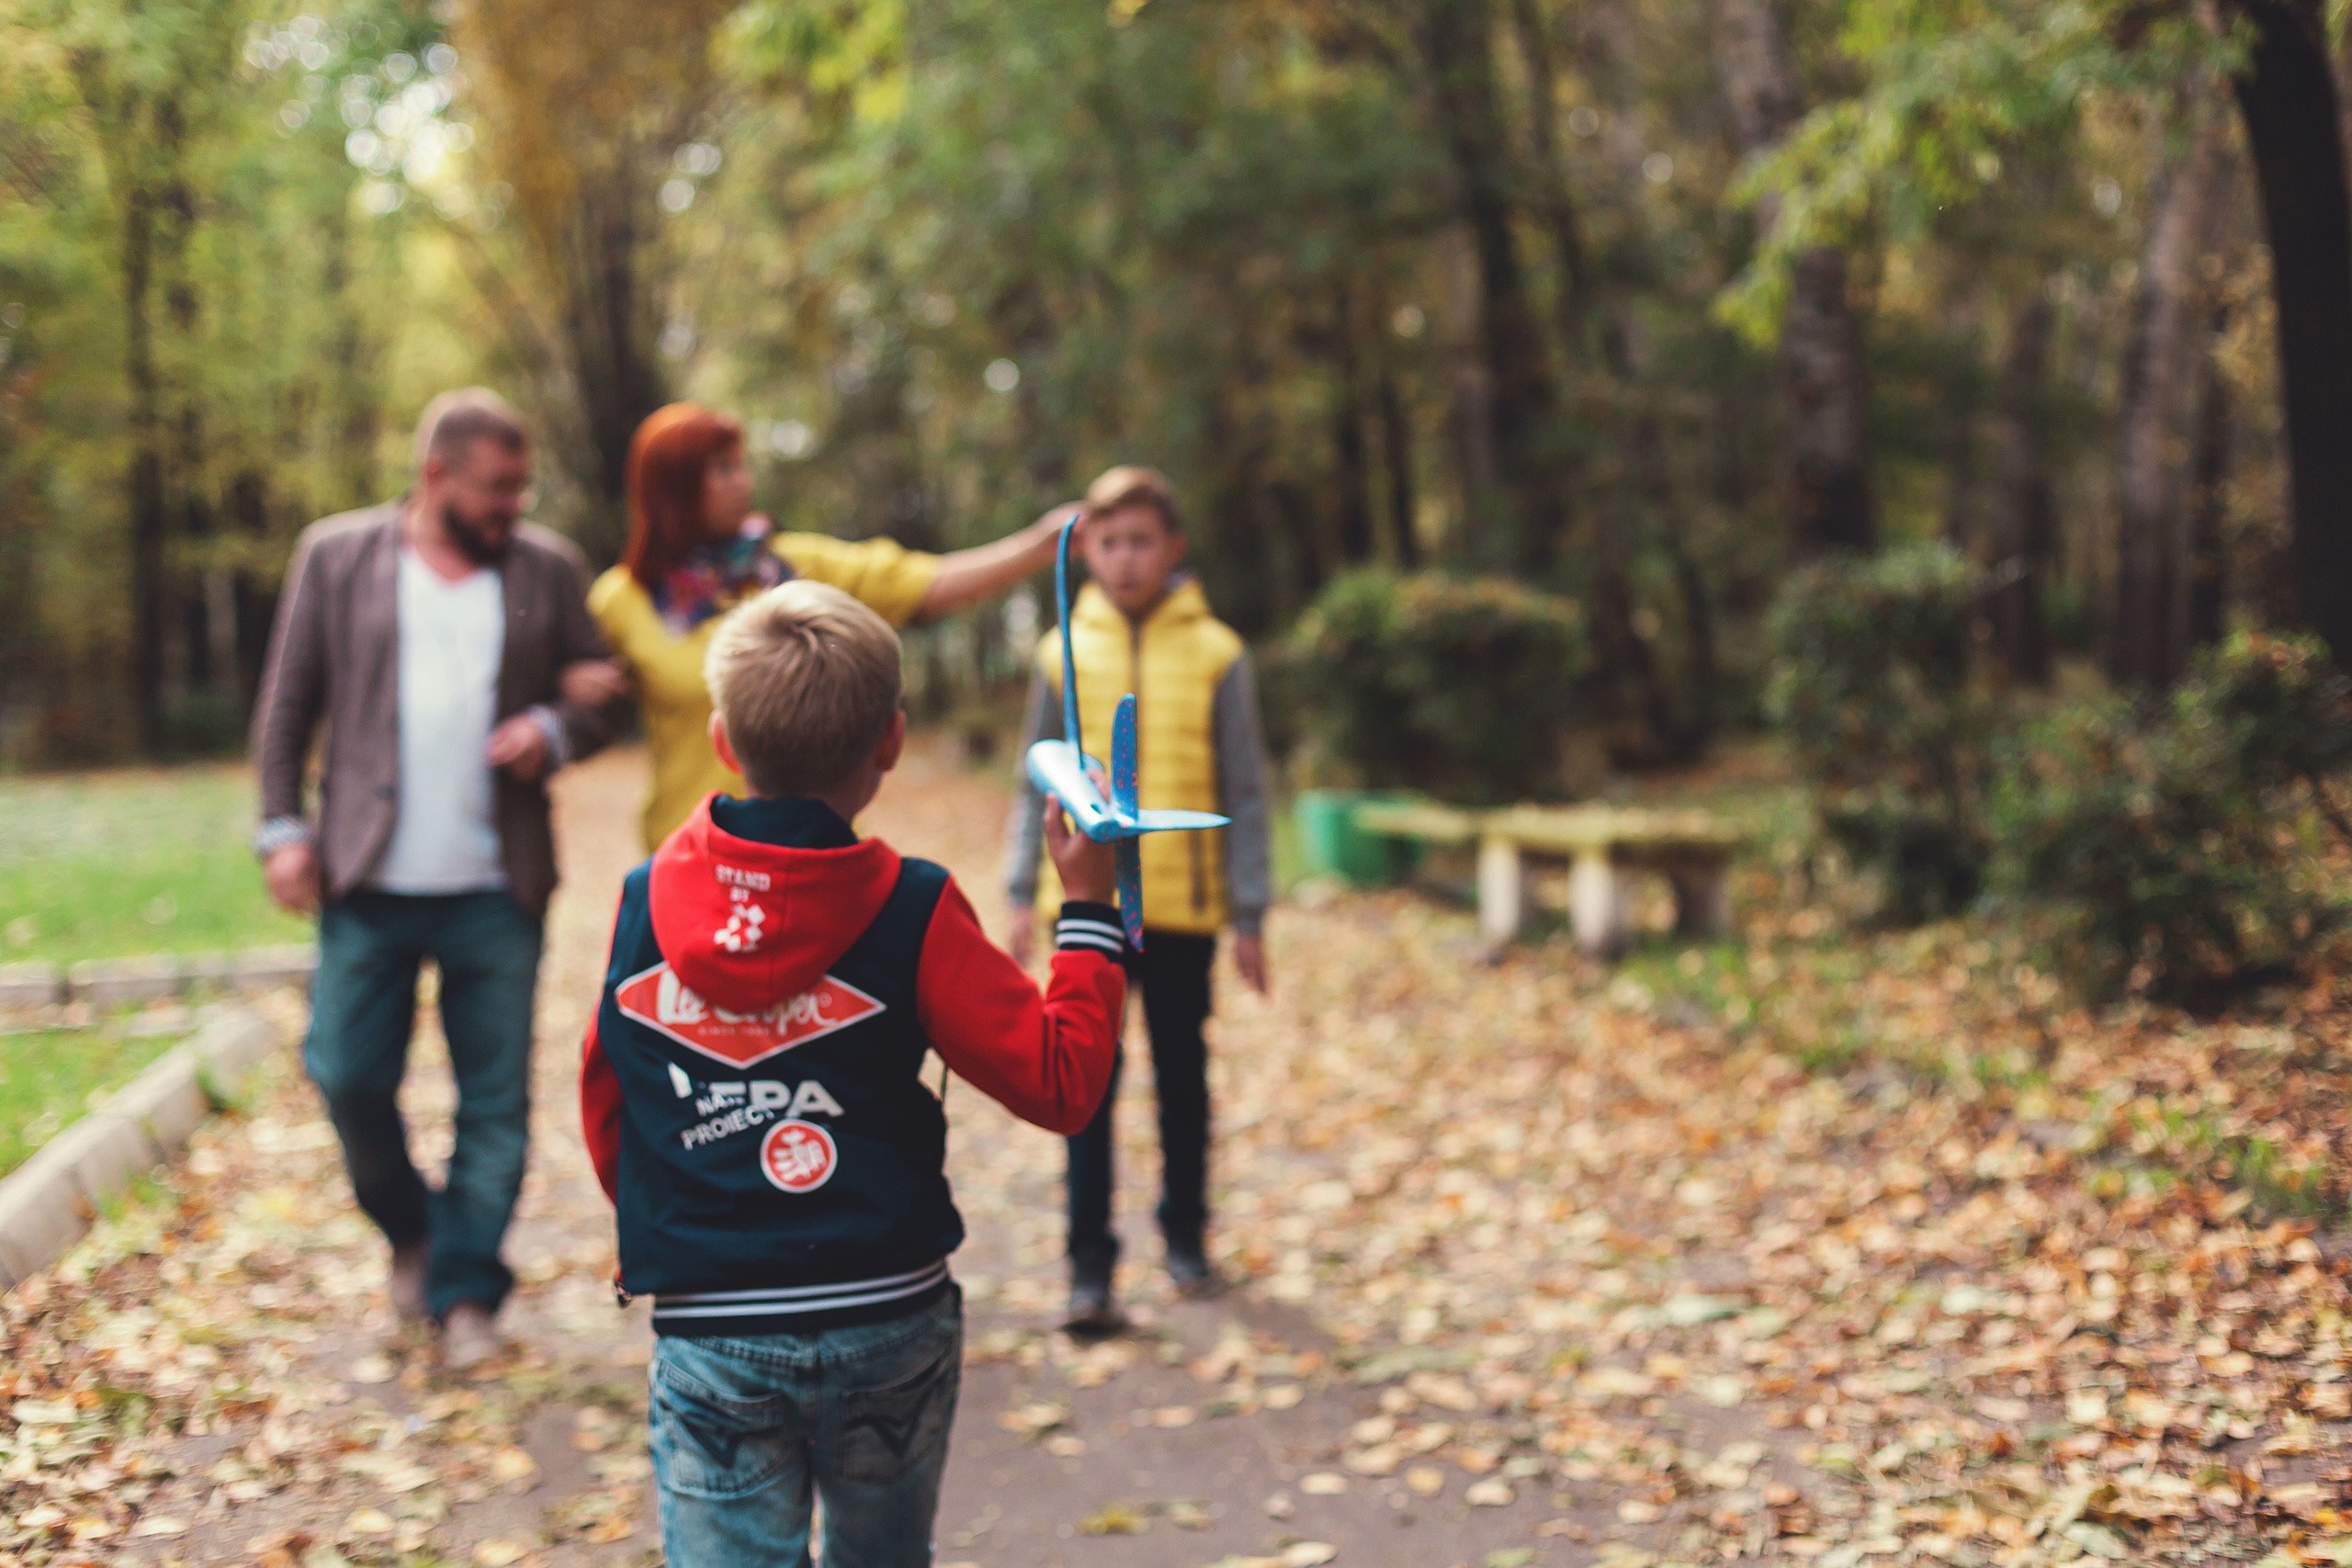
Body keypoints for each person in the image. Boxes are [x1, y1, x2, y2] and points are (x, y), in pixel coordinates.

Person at [580, 581, 1124, 1566]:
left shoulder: (645, 901)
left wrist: (697, 1214)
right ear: (891, 743)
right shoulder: (914, 908)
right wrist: (1086, 909)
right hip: (889, 1317)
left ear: (720, 738)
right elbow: (1061, 1083)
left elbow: (607, 1098)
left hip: (713, 1326)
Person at [250, 389, 627, 1370]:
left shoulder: (547, 567)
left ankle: (466, 1295)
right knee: (345, 1074)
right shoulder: (337, 556)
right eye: (497, 487)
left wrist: (551, 728)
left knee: (493, 1100)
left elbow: (600, 691)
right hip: (367, 877)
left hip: (498, 886)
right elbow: (287, 706)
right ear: (436, 477)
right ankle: (414, 1231)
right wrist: (282, 829)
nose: (514, 504)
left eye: (521, 485)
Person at [1001, 465, 1273, 1330]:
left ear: (1173, 548)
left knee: (1183, 1079)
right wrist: (1018, 889)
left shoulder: (1219, 652)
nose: (1124, 559)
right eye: (1108, 541)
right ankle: (1090, 1267)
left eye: (1141, 541)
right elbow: (1026, 781)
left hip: (1183, 912)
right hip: (1082, 906)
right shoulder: (1059, 651)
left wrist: (1250, 911)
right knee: (1086, 1081)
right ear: (1085, 550)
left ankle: (1186, 1237)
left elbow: (1249, 785)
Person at [586, 401, 1079, 850]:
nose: (745, 483)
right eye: (723, 469)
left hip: (815, 854)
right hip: (688, 857)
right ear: (674, 488)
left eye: (740, 466)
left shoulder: (797, 568)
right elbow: (573, 705)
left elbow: (924, 582)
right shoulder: (620, 601)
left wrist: (1040, 544)